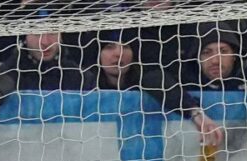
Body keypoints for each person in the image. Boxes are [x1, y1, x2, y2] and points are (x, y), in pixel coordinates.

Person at [93, 31, 223, 148]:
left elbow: (162, 83)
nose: (118, 53)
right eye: (109, 47)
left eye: (126, 47)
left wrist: (195, 113)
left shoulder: (147, 80)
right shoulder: (85, 84)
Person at [0, 31, 91, 117]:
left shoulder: (81, 76)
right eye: (37, 34)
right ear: (25, 35)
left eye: (52, 33)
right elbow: (4, 80)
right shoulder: (9, 69)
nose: (45, 42)